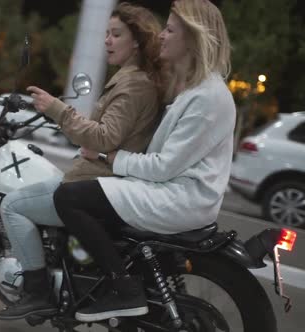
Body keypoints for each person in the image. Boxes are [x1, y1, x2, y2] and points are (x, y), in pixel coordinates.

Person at [52, 0, 235, 323]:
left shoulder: (208, 97)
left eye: (170, 29)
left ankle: (124, 288)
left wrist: (112, 157)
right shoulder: (194, 90)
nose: (161, 36)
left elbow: (163, 166)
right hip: (173, 191)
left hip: (179, 198)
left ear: (192, 39)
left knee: (69, 197)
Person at [0, 3, 163, 320]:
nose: (107, 41)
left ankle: (36, 292)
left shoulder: (134, 85)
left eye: (116, 35)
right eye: (106, 34)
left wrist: (57, 110)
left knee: (12, 206)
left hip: (97, 180)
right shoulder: (133, 80)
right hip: (101, 175)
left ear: (137, 42)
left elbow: (103, 138)